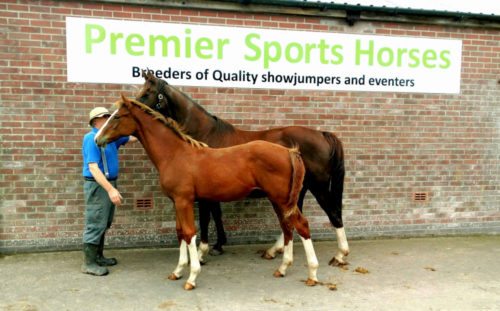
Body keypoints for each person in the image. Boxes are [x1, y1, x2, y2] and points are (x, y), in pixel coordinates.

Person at [81, 107, 137, 276]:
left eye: (108, 116)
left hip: (109, 183)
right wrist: (111, 189)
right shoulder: (92, 138)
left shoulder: (110, 137)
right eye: (105, 117)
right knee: (96, 222)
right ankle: (88, 264)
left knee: (104, 222)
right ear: (95, 121)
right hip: (98, 185)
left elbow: (132, 138)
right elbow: (93, 168)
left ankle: (99, 257)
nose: (108, 119)